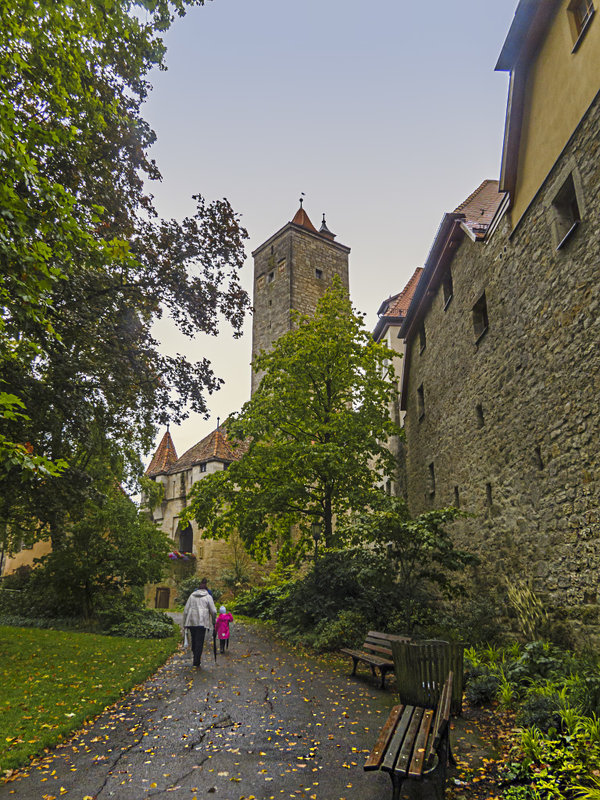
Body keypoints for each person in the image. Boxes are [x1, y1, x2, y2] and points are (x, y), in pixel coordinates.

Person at [183, 578, 217, 668]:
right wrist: (214, 622)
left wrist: (185, 623)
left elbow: (186, 610)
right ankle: (196, 660)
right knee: (200, 641)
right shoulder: (208, 597)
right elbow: (213, 611)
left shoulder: (192, 596)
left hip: (191, 621)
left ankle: (195, 656)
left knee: (194, 639)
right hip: (202, 622)